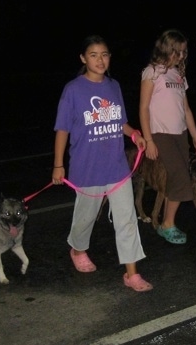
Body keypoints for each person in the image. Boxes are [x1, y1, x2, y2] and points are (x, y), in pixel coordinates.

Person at [52, 34, 153, 292]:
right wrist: (58, 164)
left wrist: (134, 134)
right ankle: (77, 250)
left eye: (105, 54)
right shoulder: (73, 89)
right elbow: (62, 129)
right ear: (83, 59)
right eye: (94, 55)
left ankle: (132, 273)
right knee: (85, 217)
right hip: (87, 166)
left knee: (127, 218)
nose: (100, 59)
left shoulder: (113, 86)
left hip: (116, 165)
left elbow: (120, 122)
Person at [139, 29, 196, 245]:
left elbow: (186, 110)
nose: (183, 55)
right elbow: (144, 108)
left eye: (185, 52)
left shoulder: (178, 75)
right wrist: (148, 139)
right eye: (179, 51)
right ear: (168, 49)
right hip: (161, 133)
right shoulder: (152, 72)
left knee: (175, 179)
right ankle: (168, 224)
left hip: (180, 134)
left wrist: (195, 137)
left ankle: (164, 223)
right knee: (181, 178)